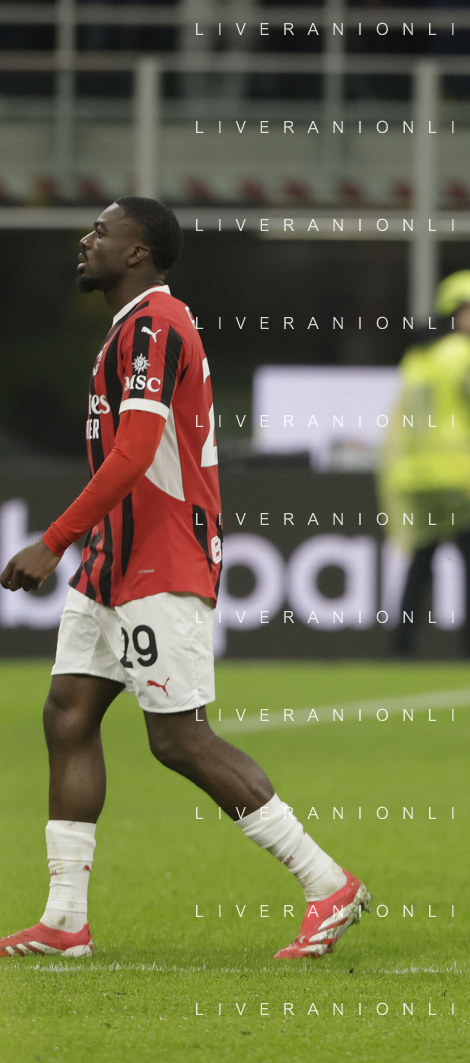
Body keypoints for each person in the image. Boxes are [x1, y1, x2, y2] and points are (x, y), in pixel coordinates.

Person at [0, 198, 369, 960]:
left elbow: (136, 452)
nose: (86, 240)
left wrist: (54, 540)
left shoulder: (155, 326)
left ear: (137, 253)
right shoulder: (129, 328)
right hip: (113, 563)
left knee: (178, 738)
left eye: (101, 232)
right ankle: (65, 921)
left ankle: (327, 882)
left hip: (160, 559)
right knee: (67, 715)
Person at [377, 270, 470, 659]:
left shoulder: (417, 357)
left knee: (421, 561)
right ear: (454, 313)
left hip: (415, 475)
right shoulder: (465, 354)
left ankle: (401, 646)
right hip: (458, 474)